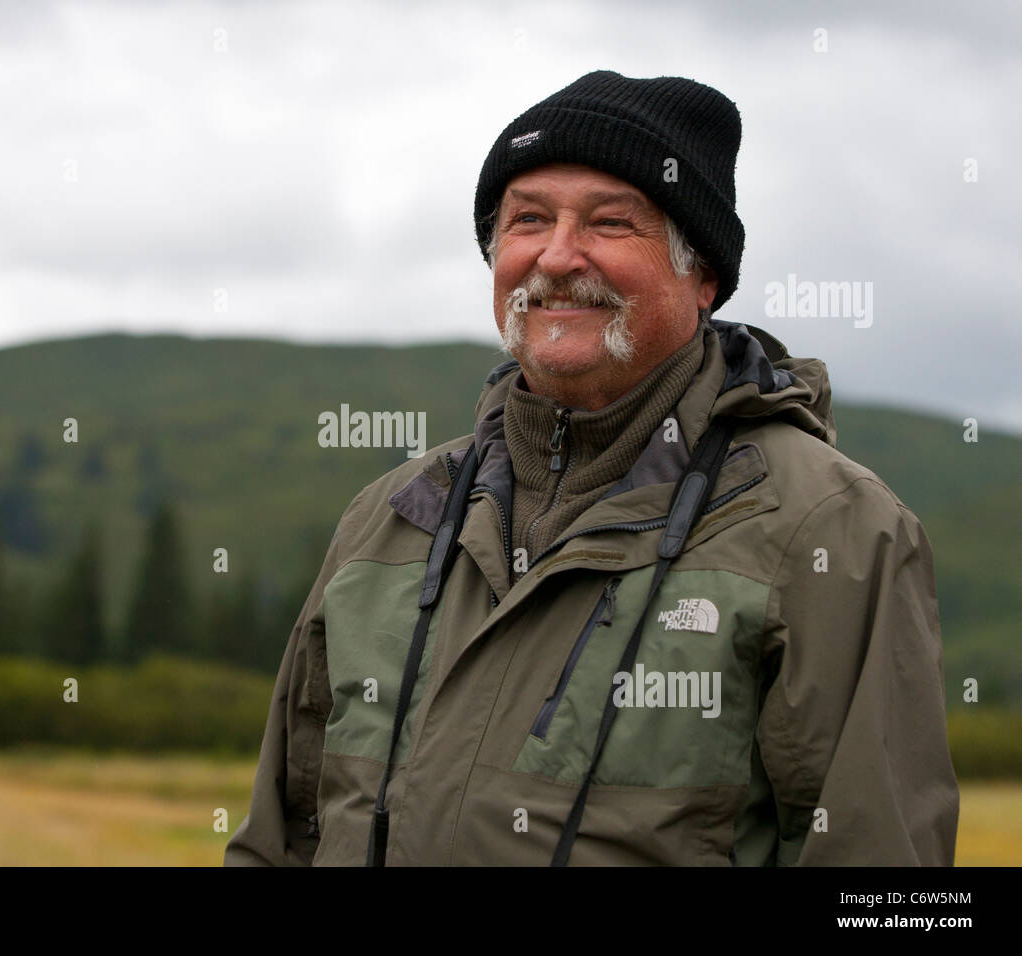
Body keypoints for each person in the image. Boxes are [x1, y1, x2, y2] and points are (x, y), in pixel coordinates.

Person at [224, 70, 959, 866]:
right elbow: (279, 841)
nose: (558, 256)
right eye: (527, 220)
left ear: (702, 273)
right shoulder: (393, 517)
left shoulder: (830, 529)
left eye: (611, 223)